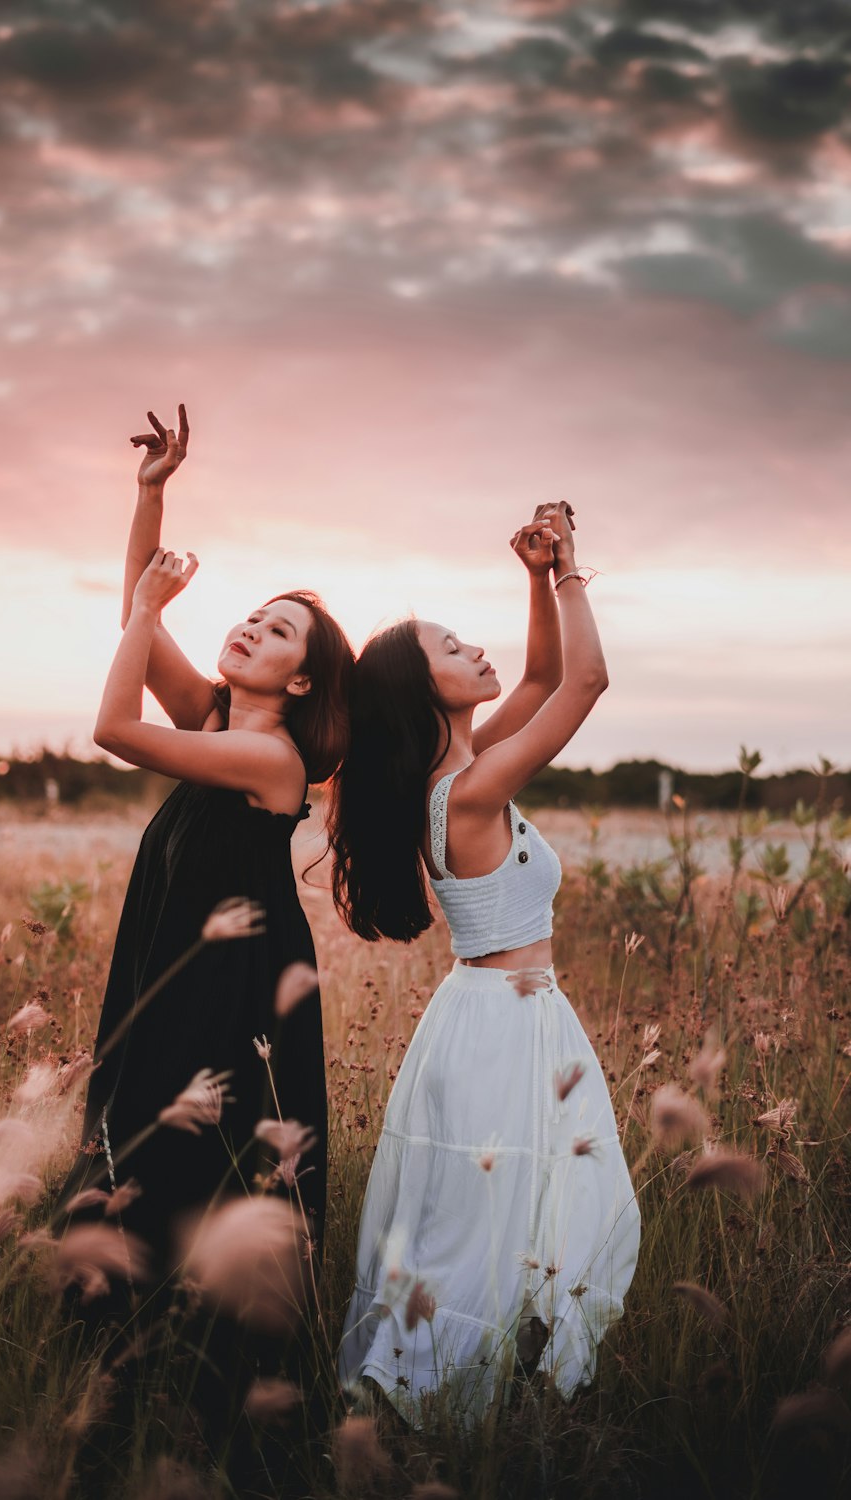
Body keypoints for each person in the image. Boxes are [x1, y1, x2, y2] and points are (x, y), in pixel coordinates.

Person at [55, 404, 353, 1381]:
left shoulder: (267, 758)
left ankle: (208, 1362)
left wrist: (149, 611)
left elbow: (113, 724)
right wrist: (152, 495)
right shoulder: (219, 718)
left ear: (301, 682)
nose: (248, 627)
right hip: (180, 969)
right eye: (252, 615)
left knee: (202, 1156)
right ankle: (125, 1334)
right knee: (150, 1131)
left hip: (235, 991)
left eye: (274, 631)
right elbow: (133, 625)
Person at [329, 503, 640, 1425]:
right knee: (484, 1234)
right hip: (501, 1025)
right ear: (422, 691)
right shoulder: (468, 791)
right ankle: (437, 1399)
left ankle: (490, 1390)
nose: (476, 652)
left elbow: (545, 671)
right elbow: (585, 681)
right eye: (452, 648)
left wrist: (535, 577)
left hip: (514, 1015)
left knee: (519, 1219)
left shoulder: (470, 764)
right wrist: (575, 565)